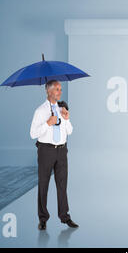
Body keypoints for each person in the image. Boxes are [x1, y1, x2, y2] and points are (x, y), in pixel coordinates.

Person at [30, 79, 79, 230]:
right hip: (46, 150)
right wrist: (47, 124)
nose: (60, 92)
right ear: (48, 91)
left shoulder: (61, 108)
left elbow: (70, 131)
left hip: (62, 151)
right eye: (57, 89)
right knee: (43, 184)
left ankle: (65, 217)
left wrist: (66, 118)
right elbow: (33, 134)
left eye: (60, 89)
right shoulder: (40, 111)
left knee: (62, 185)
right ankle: (43, 218)